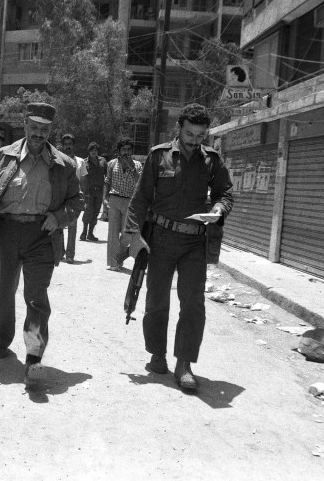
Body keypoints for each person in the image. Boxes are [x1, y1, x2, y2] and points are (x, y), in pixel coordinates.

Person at [0, 102, 83, 385]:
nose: (38, 134)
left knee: (36, 298)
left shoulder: (65, 165)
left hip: (42, 236)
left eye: (44, 129)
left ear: (51, 130)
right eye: (34, 127)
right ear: (24, 124)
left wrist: (59, 217)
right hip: (6, 233)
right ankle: (2, 340)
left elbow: (77, 201)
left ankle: (34, 357)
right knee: (5, 289)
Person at [121, 103, 233, 391]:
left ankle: (185, 363)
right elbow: (140, 198)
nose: (195, 140)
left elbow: (226, 193)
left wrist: (219, 209)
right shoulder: (158, 156)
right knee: (157, 300)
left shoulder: (212, 161)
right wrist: (134, 234)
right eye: (190, 133)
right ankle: (157, 354)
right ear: (179, 129)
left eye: (200, 135)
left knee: (193, 303)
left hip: (194, 241)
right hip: (160, 239)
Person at [102, 137, 142, 271]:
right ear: (119, 151)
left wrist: (132, 169)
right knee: (113, 233)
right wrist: (105, 198)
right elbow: (107, 181)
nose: (126, 152)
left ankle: (118, 257)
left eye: (128, 150)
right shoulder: (112, 164)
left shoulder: (137, 165)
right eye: (123, 150)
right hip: (114, 199)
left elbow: (140, 184)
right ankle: (114, 263)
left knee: (128, 234)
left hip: (130, 201)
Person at [58, 133, 85, 263]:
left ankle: (70, 254)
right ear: (62, 146)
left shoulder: (80, 162)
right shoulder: (58, 160)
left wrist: (86, 198)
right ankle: (60, 252)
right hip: (60, 196)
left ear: (74, 146)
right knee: (60, 224)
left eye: (70, 144)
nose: (68, 147)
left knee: (72, 225)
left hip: (75, 197)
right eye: (65, 144)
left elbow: (84, 181)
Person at [79, 141, 107, 242]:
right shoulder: (84, 162)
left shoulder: (103, 161)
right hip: (89, 192)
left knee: (95, 213)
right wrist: (83, 193)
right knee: (88, 212)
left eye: (95, 150)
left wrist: (106, 193)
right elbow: (82, 178)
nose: (94, 152)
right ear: (89, 151)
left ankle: (90, 233)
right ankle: (84, 232)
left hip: (99, 192)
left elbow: (107, 176)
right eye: (92, 150)